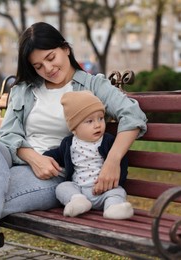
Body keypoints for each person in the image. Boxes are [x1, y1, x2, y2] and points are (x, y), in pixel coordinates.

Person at [0, 21, 147, 260]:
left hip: (58, 174)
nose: (47, 68)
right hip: (20, 163)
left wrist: (113, 161)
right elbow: (8, 135)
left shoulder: (92, 85)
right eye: (38, 65)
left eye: (51, 57)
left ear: (66, 48)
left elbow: (133, 116)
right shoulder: (24, 89)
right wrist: (34, 158)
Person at [43, 91, 133, 219]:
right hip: (79, 189)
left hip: (104, 191)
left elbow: (121, 163)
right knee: (62, 187)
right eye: (89, 121)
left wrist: (115, 183)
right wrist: (45, 157)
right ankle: (78, 201)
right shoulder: (69, 143)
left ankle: (113, 208)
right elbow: (57, 154)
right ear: (74, 128)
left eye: (101, 118)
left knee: (118, 192)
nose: (97, 125)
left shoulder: (107, 141)